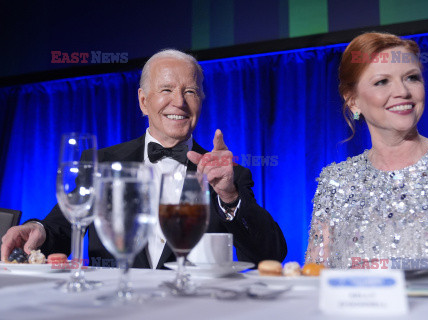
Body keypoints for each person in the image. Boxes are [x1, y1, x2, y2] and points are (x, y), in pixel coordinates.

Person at [1, 49, 287, 268]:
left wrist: (228, 196)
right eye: (166, 90)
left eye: (190, 91)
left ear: (201, 100)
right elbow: (64, 227)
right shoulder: (102, 162)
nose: (179, 101)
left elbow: (270, 254)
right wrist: (34, 230)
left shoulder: (227, 176)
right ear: (143, 101)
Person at [305, 32, 428, 268]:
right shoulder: (336, 184)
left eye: (411, 78)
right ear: (353, 101)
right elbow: (316, 276)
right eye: (382, 81)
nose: (403, 92)